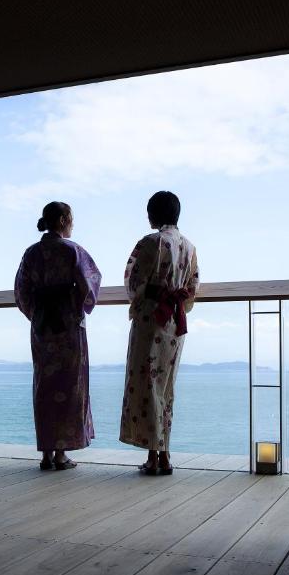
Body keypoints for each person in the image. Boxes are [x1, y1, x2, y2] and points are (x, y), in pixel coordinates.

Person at [15, 201, 102, 470]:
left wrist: (37, 312)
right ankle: (62, 454)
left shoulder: (31, 253)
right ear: (64, 220)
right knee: (68, 386)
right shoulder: (72, 250)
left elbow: (21, 291)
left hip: (42, 325)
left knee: (44, 386)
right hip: (67, 324)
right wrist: (75, 305)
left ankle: (45, 453)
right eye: (72, 219)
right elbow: (91, 283)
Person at [119, 191, 199, 475]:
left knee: (147, 386)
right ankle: (165, 455)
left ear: (154, 214)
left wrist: (144, 298)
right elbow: (192, 287)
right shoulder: (189, 247)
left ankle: (154, 457)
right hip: (175, 322)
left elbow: (134, 281)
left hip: (152, 319)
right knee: (166, 388)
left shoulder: (151, 242)